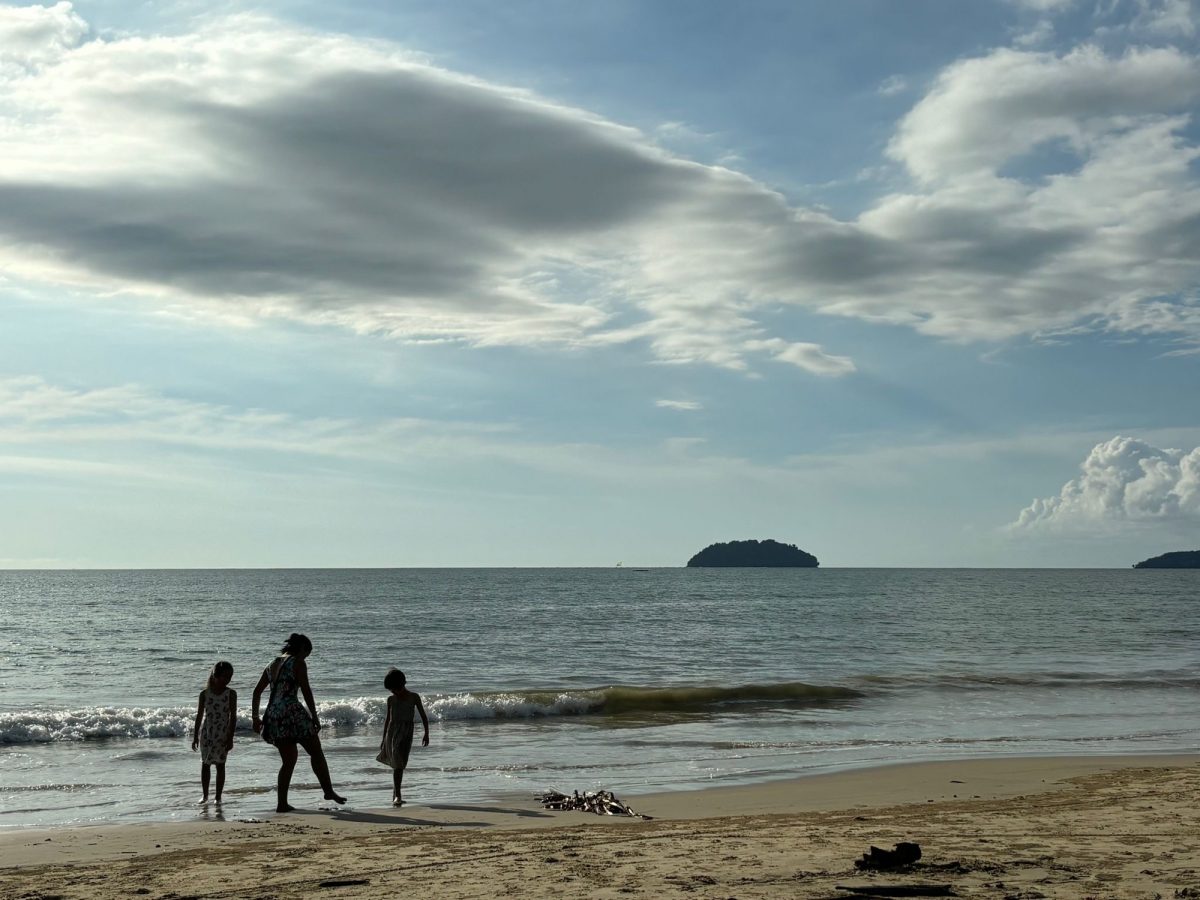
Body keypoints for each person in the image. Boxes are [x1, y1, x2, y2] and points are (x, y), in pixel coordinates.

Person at [251, 633, 346, 813]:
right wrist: (315, 717)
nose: (305, 658)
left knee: (288, 761)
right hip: (292, 713)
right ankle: (328, 791)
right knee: (316, 752)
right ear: (302, 648)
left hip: (273, 715)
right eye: (306, 654)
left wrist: (255, 717)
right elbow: (306, 691)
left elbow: (256, 692)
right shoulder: (298, 663)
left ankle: (282, 803)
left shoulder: (272, 664)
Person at [376, 668, 429, 807]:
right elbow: (388, 720)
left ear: (403, 684)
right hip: (392, 733)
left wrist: (426, 733)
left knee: (400, 763)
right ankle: (398, 795)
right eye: (391, 690)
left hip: (407, 733)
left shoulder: (414, 697)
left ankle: (395, 794)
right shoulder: (391, 699)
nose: (393, 692)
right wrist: (383, 739)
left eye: (395, 689)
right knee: (398, 763)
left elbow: (423, 716)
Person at [192, 660, 237, 805]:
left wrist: (230, 737)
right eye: (224, 676)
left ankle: (218, 797)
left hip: (223, 735)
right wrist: (195, 736)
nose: (227, 680)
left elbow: (233, 717)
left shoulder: (231, 694)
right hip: (207, 735)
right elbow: (199, 716)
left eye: (229, 677)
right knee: (205, 764)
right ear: (215, 675)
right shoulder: (204, 694)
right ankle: (205, 796)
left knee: (220, 765)